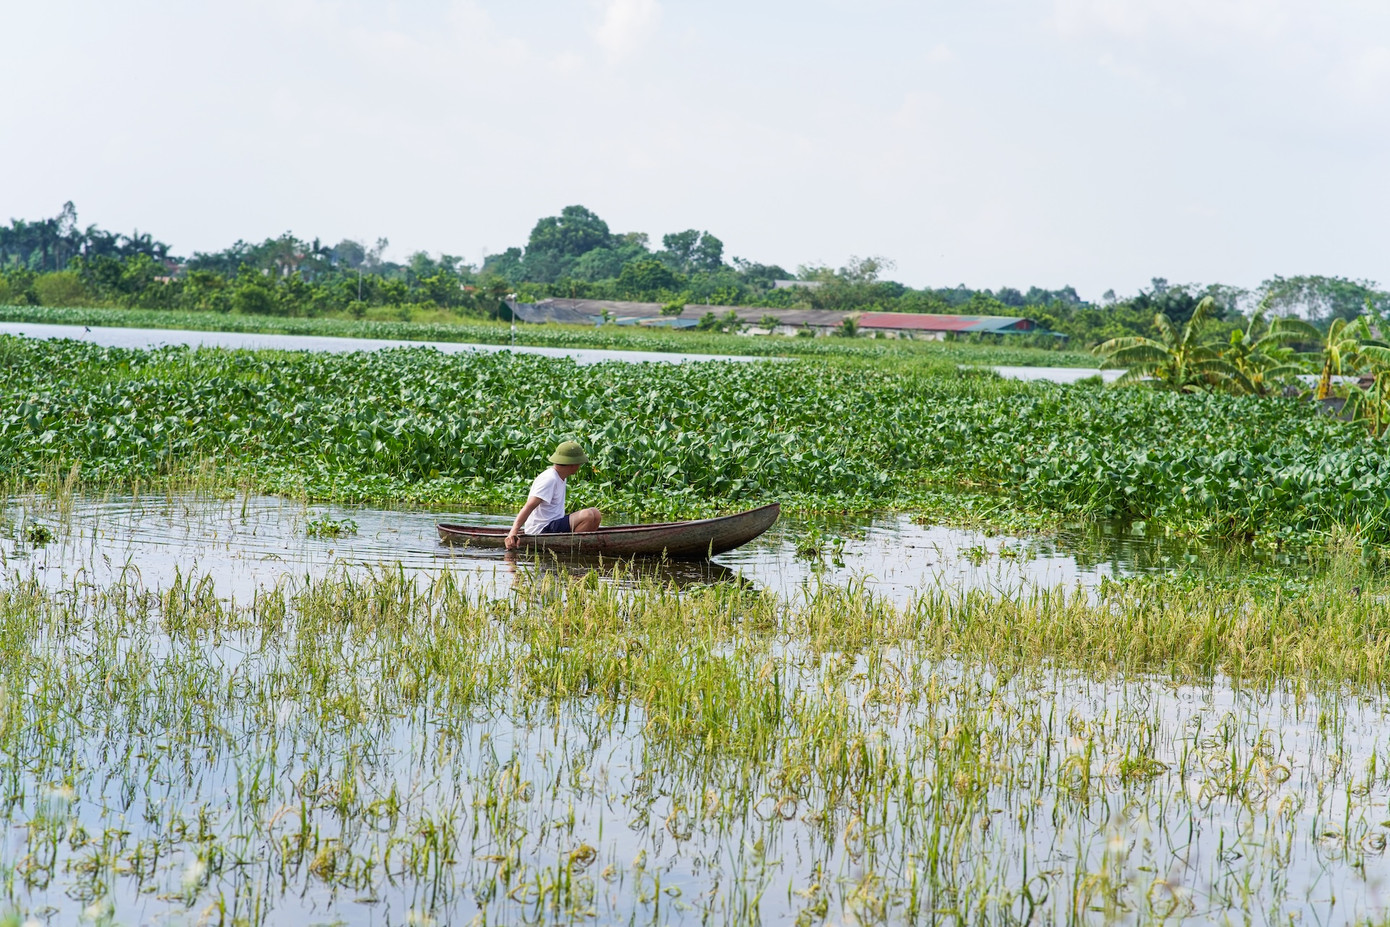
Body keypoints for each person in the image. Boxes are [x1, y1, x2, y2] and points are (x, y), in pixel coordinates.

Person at [505, 441, 603, 549]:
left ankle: (582, 546)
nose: (579, 466)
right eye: (579, 463)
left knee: (595, 513)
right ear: (573, 464)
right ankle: (572, 548)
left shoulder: (561, 476)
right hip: (541, 529)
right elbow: (529, 506)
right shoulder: (549, 479)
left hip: (554, 525)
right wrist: (513, 532)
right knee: (587, 515)